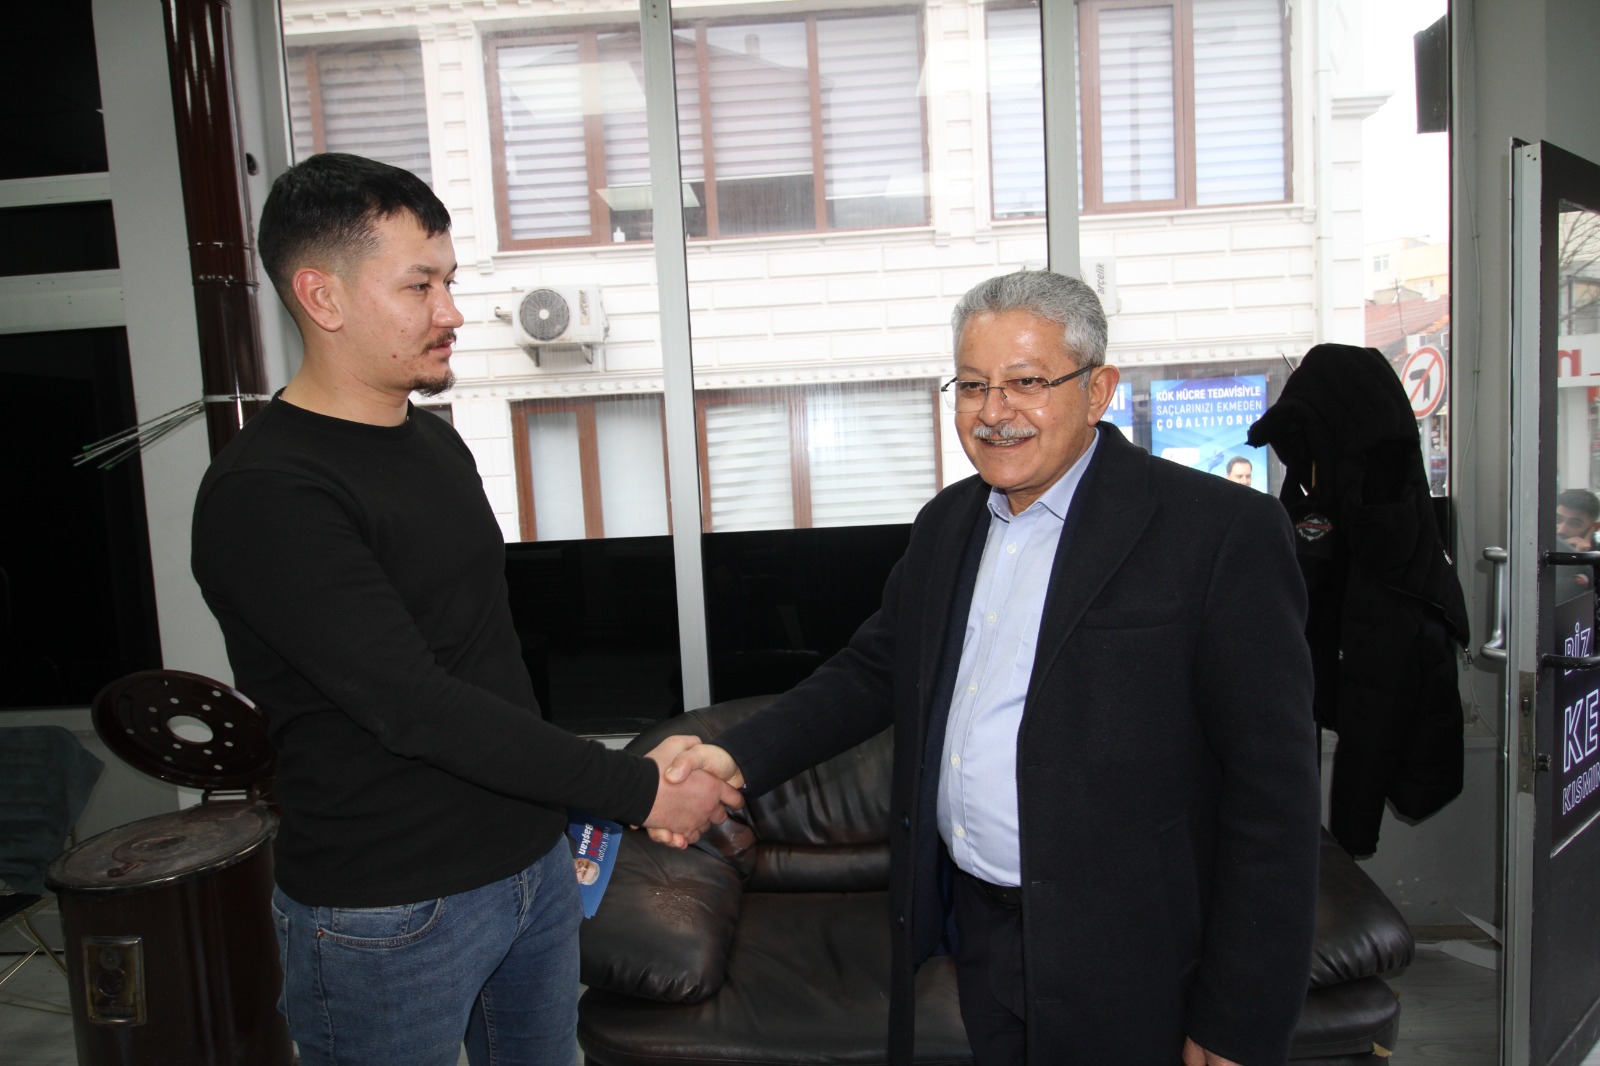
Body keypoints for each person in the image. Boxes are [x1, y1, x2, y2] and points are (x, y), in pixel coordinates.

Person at [663, 270, 1321, 1066]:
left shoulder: (1218, 531)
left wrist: (1242, 1014)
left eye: (1027, 382)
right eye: (972, 385)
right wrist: (735, 756)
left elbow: (1273, 793)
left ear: (1098, 389)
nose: (994, 412)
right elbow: (876, 669)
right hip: (983, 929)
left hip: (1138, 954)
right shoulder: (948, 523)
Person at [190, 152, 739, 1066]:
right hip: (389, 912)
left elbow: (487, 661)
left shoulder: (436, 447)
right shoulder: (269, 494)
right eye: (420, 285)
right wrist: (637, 788)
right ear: (322, 297)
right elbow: (413, 704)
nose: (450, 311)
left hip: (530, 870)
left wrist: (568, 815)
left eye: (449, 282)